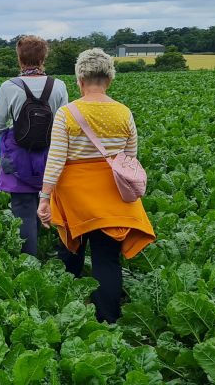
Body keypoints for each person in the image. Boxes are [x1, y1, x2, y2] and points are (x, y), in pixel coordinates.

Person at [38, 47, 155, 323]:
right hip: (112, 196)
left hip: (74, 197)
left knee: (71, 251)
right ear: (109, 79)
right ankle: (109, 321)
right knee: (106, 259)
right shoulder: (124, 113)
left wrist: (44, 198)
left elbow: (55, 160)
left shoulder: (67, 113)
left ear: (79, 80)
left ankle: (67, 312)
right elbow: (129, 159)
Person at [0, 35, 69, 256]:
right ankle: (51, 249)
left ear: (20, 59)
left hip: (17, 155)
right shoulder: (58, 86)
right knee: (44, 200)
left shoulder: (9, 86)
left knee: (23, 209)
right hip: (49, 153)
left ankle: (29, 259)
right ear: (43, 57)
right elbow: (65, 124)